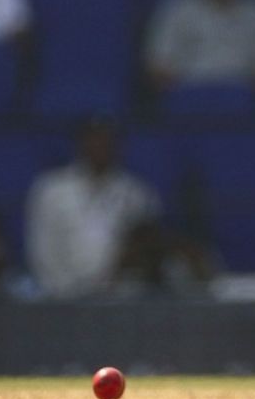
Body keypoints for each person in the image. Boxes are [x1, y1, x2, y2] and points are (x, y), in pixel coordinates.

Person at [25, 120, 161, 298]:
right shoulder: (51, 190)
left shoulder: (137, 194)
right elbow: (41, 251)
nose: (100, 146)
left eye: (107, 140)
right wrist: (66, 295)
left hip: (119, 303)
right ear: (81, 143)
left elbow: (143, 257)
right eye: (94, 138)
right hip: (61, 300)